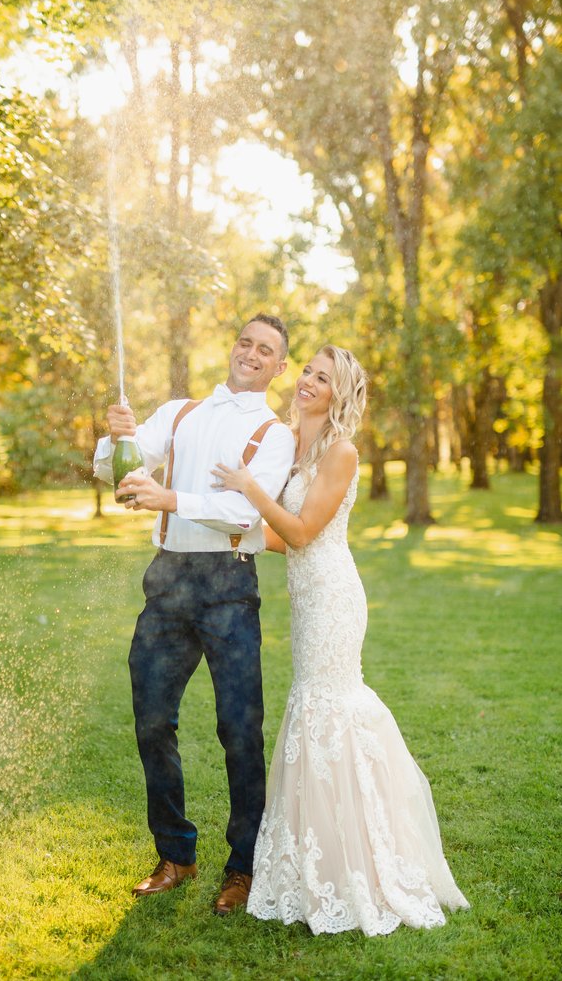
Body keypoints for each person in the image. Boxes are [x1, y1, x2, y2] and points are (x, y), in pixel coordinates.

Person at [211, 344, 469, 935]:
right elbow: (281, 537)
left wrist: (250, 489)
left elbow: (302, 533)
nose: (307, 381)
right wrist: (239, 539)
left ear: (340, 393)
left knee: (329, 708)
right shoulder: (293, 445)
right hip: (306, 597)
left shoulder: (342, 452)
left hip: (332, 597)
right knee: (313, 709)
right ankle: (318, 860)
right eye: (306, 370)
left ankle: (363, 861)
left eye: (322, 378)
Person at [93, 314, 296, 915]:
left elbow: (243, 514)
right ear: (233, 348)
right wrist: (116, 438)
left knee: (239, 730)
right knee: (152, 720)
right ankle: (176, 853)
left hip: (228, 585)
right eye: (246, 343)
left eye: (266, 351)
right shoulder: (180, 411)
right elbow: (119, 476)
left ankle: (243, 866)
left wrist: (172, 497)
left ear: (279, 366)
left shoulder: (274, 433)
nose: (252, 355)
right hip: (168, 579)